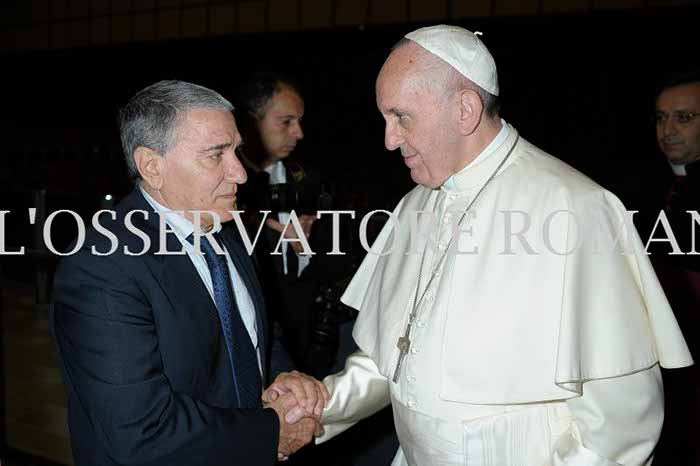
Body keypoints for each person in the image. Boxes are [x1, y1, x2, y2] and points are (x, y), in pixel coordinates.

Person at [266, 25, 694, 465]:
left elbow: (622, 424)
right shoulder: (416, 204)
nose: (389, 140)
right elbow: (397, 356)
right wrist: (319, 404)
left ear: (465, 109)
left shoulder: (575, 208)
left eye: (401, 117)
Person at [50, 80, 326, 466]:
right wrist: (271, 432)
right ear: (152, 166)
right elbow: (140, 431)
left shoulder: (226, 228)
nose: (240, 174)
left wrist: (283, 378)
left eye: (237, 151)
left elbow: (255, 332)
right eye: (216, 155)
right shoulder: (101, 268)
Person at [645, 70, 700, 465]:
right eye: (662, 118)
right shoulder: (643, 191)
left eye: (684, 117)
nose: (668, 129)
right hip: (665, 376)